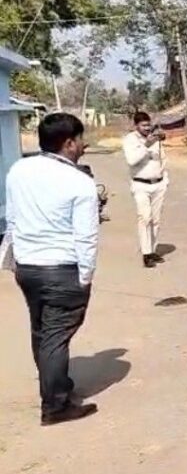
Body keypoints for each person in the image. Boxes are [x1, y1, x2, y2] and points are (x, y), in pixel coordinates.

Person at [4, 113, 99, 425]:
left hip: (28, 268)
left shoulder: (19, 170)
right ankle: (55, 406)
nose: (84, 145)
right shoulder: (80, 182)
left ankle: (57, 386)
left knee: (42, 330)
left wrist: (14, 259)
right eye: (80, 140)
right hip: (61, 269)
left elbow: (13, 219)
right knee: (55, 336)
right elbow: (86, 236)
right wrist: (85, 277)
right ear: (69, 143)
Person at [122, 112, 168, 268]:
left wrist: (164, 179)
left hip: (158, 184)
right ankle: (146, 253)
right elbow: (132, 160)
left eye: (148, 125)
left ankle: (152, 250)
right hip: (140, 184)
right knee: (145, 218)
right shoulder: (130, 140)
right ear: (136, 126)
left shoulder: (155, 139)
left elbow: (162, 159)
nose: (147, 128)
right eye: (143, 125)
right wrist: (146, 146)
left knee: (156, 219)